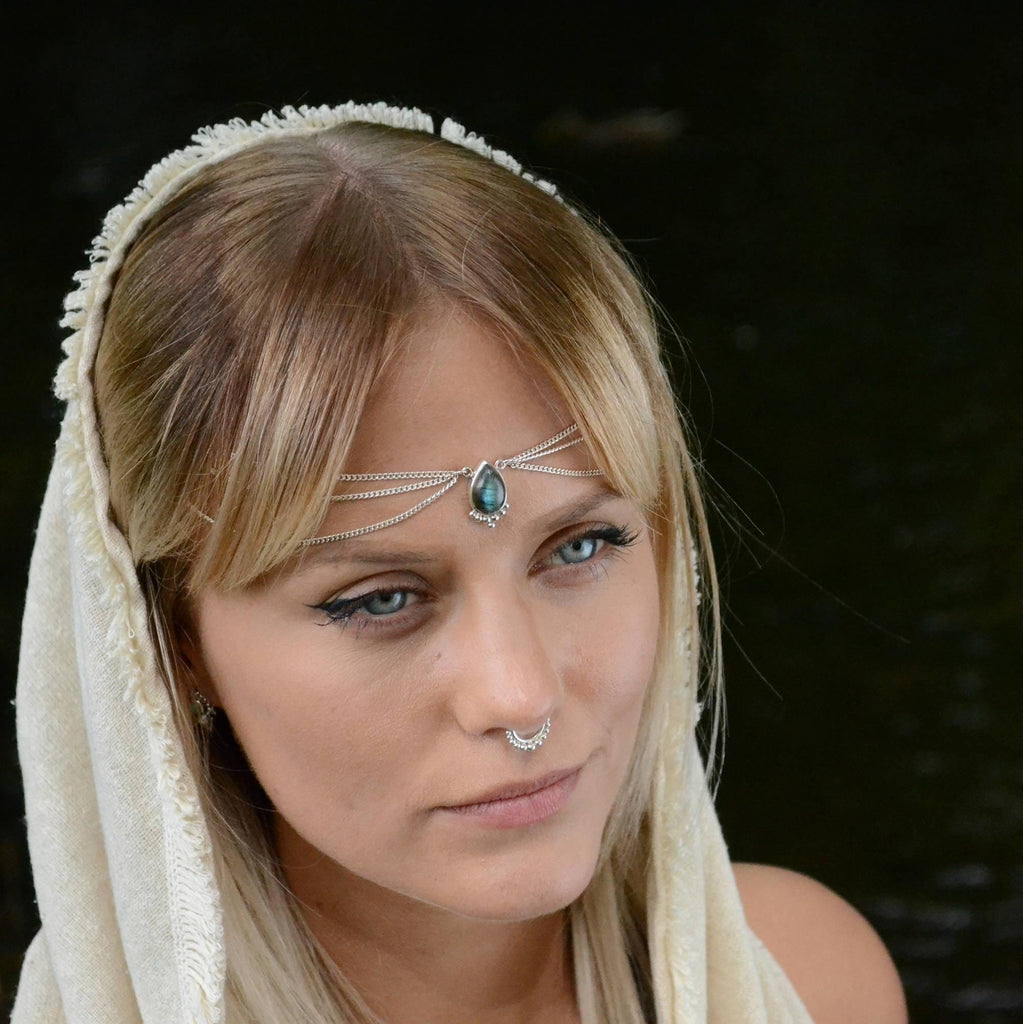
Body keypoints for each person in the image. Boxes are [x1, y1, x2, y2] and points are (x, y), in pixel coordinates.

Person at [12, 102, 906, 1024]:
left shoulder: (809, 984)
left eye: (581, 545)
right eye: (381, 599)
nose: (519, 697)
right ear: (169, 636)